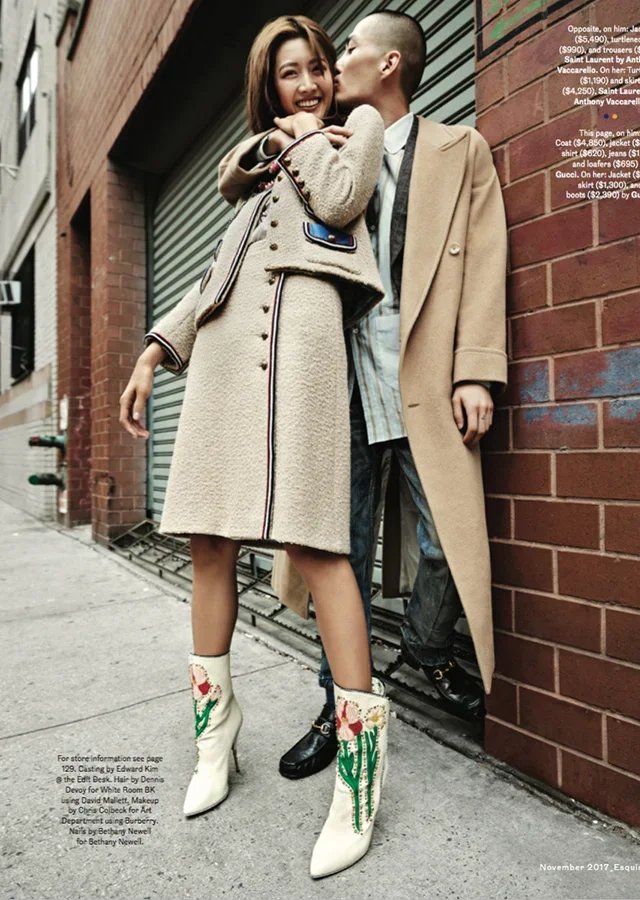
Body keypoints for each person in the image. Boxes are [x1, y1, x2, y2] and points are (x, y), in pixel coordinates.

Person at [119, 15, 391, 879]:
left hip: (305, 360)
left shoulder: (355, 132)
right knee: (208, 542)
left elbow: (345, 200)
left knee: (318, 547)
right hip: (227, 364)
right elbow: (218, 269)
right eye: (290, 75)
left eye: (317, 68)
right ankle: (215, 737)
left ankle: (359, 772)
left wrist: (309, 136)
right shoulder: (260, 161)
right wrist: (156, 350)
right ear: (266, 85)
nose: (308, 82)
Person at [221, 10, 509, 780]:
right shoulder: (322, 144)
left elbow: (484, 257)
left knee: (444, 543)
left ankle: (423, 649)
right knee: (329, 547)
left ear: (387, 65)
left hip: (419, 376)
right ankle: (338, 701)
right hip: (337, 381)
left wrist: (476, 368)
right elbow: (238, 189)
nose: (329, 62)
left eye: (346, 49)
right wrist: (290, 139)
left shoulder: (459, 150)